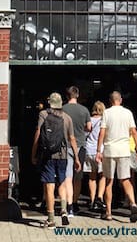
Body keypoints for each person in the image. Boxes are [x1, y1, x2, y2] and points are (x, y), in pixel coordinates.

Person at [31, 92, 81, 229]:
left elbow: (38, 133)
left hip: (48, 155)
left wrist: (34, 152)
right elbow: (72, 139)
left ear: (50, 103)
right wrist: (76, 157)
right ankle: (64, 209)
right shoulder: (67, 118)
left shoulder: (43, 115)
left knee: (49, 185)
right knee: (62, 182)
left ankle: (51, 219)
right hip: (63, 155)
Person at [95, 91, 137, 223]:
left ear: (110, 101)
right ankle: (133, 203)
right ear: (120, 100)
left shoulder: (107, 113)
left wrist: (99, 150)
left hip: (110, 150)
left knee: (109, 181)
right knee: (125, 179)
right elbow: (134, 132)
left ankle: (108, 212)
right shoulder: (128, 113)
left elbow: (102, 132)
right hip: (124, 150)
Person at [62, 85, 91, 215]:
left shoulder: (62, 109)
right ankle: (74, 202)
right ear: (77, 95)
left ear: (67, 96)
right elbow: (89, 127)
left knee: (67, 176)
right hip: (80, 145)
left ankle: (68, 205)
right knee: (77, 177)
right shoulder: (84, 110)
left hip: (65, 145)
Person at [85, 100, 106, 212]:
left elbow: (85, 134)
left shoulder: (89, 120)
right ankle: (100, 198)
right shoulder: (103, 121)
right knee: (103, 175)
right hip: (100, 150)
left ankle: (92, 200)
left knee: (92, 177)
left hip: (89, 150)